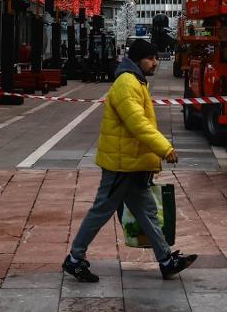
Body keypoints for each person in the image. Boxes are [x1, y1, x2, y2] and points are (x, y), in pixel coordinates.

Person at [62, 38, 196, 282]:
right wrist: (164, 148)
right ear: (137, 60)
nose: (155, 62)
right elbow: (137, 123)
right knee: (101, 210)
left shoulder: (136, 81)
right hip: (121, 163)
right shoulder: (126, 83)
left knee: (146, 212)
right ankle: (74, 259)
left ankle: (166, 260)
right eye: (151, 58)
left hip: (132, 162)